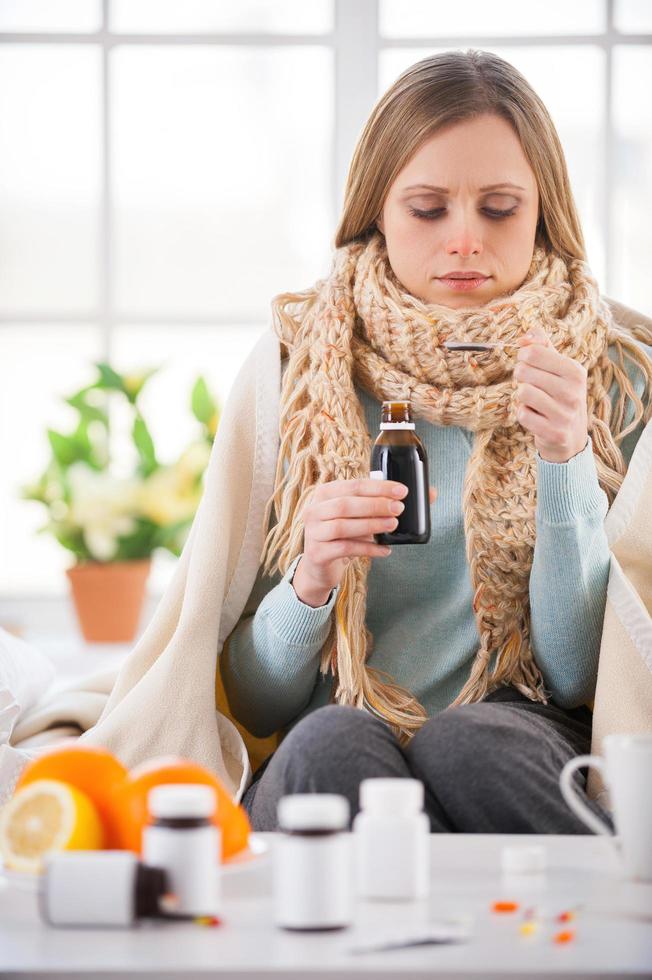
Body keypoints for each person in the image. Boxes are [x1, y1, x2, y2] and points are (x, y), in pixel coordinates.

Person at [219, 49, 652, 833]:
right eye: (427, 209)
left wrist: (566, 462)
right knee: (331, 745)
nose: (463, 241)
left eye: (498, 209)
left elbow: (582, 673)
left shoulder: (618, 375)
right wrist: (312, 578)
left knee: (472, 740)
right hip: (335, 733)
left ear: (545, 211)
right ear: (376, 211)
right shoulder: (296, 372)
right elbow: (253, 699)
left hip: (520, 738)